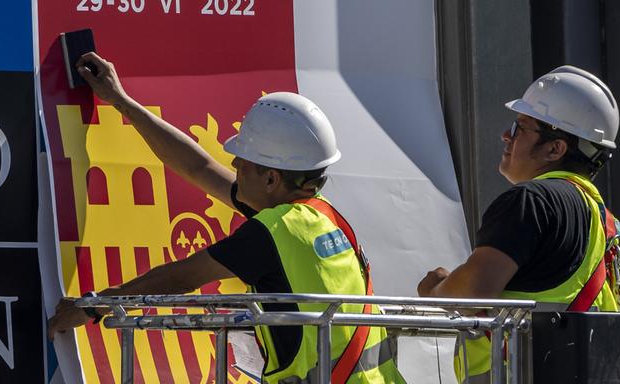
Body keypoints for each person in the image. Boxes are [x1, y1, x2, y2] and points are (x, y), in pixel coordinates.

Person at [48, 52, 405, 383]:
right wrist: (122, 102)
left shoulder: (271, 232)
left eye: (243, 162)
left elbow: (181, 276)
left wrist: (92, 306)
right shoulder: (323, 216)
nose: (233, 165)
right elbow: (199, 167)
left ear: (271, 179)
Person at [417, 65, 620, 382]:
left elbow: (473, 294)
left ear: (555, 148)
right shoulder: (608, 224)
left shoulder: (532, 201)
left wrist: (435, 290)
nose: (506, 135)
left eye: (520, 127)